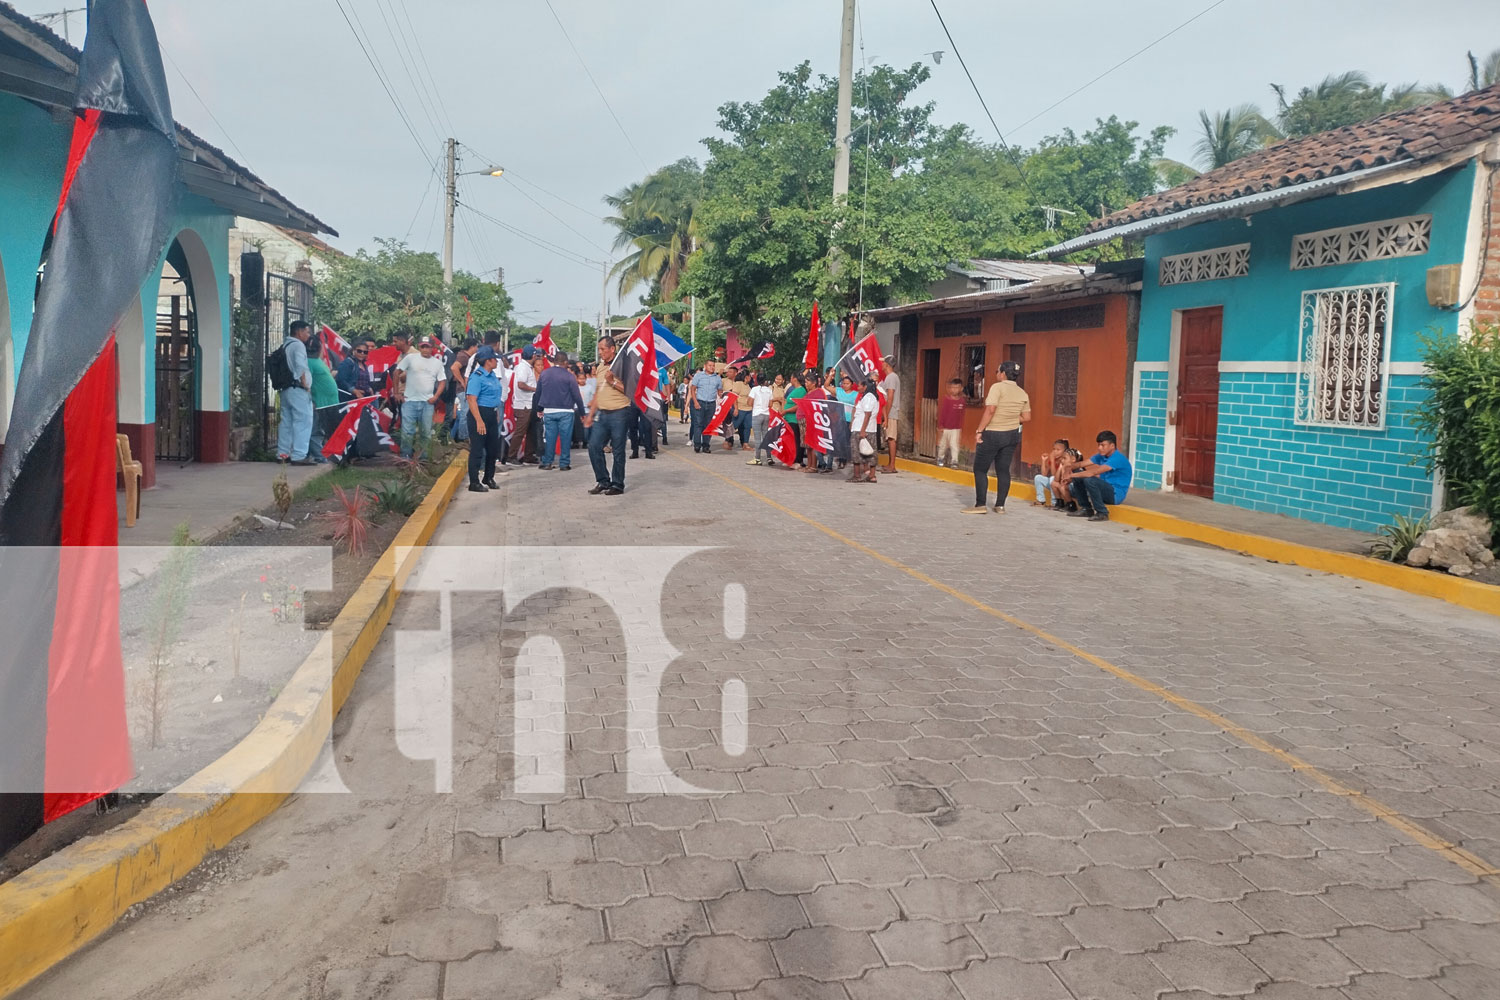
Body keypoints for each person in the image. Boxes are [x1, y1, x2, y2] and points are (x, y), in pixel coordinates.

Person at [964, 359, 1030, 515]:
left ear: (1004, 373)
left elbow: (991, 410)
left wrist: (979, 430)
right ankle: (1000, 505)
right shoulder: (1022, 392)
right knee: (1003, 470)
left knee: (980, 469)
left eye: (998, 371)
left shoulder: (997, 388)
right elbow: (1026, 417)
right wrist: (1011, 418)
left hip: (994, 433)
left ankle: (980, 504)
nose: (997, 374)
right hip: (1012, 434)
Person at [587, 336, 630, 495]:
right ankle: (603, 480)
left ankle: (617, 484)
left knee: (618, 450)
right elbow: (599, 392)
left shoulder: (622, 366)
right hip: (602, 414)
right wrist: (591, 414)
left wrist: (612, 381)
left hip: (620, 413)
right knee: (593, 446)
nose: (600, 353)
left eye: (603, 349)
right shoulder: (599, 367)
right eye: (599, 349)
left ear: (612, 349)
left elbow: (629, 390)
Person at [396, 337, 447, 458]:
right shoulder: (410, 358)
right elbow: (396, 372)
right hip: (409, 401)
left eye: (427, 346)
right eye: (423, 346)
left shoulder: (437, 363)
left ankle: (423, 459)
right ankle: (406, 458)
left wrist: (436, 396)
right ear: (419, 347)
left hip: (427, 403)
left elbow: (442, 381)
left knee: (426, 433)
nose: (425, 349)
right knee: (408, 432)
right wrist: (396, 392)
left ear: (432, 347)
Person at [1066, 431, 1133, 522]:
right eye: (1098, 445)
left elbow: (1093, 472)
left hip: (1115, 495)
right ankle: (1086, 509)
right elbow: (1081, 464)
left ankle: (1102, 513)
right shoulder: (1101, 456)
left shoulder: (1117, 458)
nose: (1099, 448)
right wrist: (1069, 467)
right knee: (1079, 476)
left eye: (1102, 445)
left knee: (1089, 480)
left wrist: (1071, 475)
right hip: (1105, 488)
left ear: (1112, 446)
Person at [535, 354, 587, 471]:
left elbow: (538, 393)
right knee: (565, 438)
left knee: (550, 437)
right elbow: (576, 396)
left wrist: (539, 409)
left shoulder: (544, 374)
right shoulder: (569, 376)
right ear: (565, 362)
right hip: (566, 411)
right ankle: (564, 464)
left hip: (549, 410)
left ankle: (547, 462)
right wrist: (582, 413)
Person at [464, 347, 504, 492]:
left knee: (493, 449)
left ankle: (488, 477)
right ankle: (474, 482)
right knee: (477, 450)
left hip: (491, 414)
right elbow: (471, 399)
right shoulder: (477, 377)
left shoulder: (492, 375)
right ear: (488, 361)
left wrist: (496, 412)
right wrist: (479, 421)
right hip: (479, 414)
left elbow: (494, 396)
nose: (497, 361)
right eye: (495, 359)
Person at [276, 320, 315, 465]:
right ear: (299, 332)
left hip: (286, 388)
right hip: (298, 388)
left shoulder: (285, 345)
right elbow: (300, 365)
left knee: (286, 421)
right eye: (307, 331)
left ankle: (282, 454)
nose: (308, 335)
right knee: (303, 421)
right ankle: (299, 455)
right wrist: (305, 384)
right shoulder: (298, 345)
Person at [306, 335, 340, 464]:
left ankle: (315, 454)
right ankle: (320, 456)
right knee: (316, 430)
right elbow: (308, 383)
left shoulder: (317, 361)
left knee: (321, 430)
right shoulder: (309, 362)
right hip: (319, 403)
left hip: (328, 403)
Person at [509, 345, 539, 464]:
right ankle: (511, 456)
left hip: (529, 404)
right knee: (520, 432)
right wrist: (534, 389)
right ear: (532, 355)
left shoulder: (526, 367)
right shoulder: (523, 368)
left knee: (531, 431)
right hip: (523, 405)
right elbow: (521, 384)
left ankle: (528, 455)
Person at [848, 377, 881, 484]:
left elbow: (867, 414)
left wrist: (862, 430)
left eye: (860, 385)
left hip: (861, 428)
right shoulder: (872, 397)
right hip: (870, 428)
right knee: (870, 452)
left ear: (865, 386)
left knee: (857, 452)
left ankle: (857, 475)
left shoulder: (868, 397)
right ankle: (871, 475)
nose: (858, 388)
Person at [689, 360, 722, 453]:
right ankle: (697, 444)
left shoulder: (717, 378)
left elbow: (720, 390)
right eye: (710, 365)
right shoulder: (699, 376)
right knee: (698, 424)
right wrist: (695, 402)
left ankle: (706, 445)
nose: (712, 367)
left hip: (711, 403)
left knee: (708, 425)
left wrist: (722, 395)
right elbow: (693, 389)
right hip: (700, 402)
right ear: (705, 366)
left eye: (713, 366)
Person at [1033, 439, 1072, 508]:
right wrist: (1044, 461)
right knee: (1038, 478)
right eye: (1054, 449)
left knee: (1052, 478)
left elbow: (1054, 475)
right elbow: (1044, 474)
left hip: (1060, 485)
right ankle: (1041, 500)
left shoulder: (1064, 460)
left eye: (1058, 450)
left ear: (1065, 451)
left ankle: (1054, 502)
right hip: (1053, 484)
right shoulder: (1053, 459)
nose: (1055, 452)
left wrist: (1052, 460)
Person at [335, 336, 375, 402]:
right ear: (353, 351)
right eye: (359, 351)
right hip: (350, 399)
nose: (362, 353)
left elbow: (364, 381)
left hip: (363, 398)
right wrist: (354, 391)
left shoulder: (364, 365)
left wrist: (369, 388)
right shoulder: (348, 363)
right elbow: (341, 380)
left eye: (365, 352)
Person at [936, 378, 965, 469]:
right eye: (952, 387)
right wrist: (941, 426)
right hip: (945, 427)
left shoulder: (962, 401)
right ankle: (940, 458)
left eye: (956, 387)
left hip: (956, 428)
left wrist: (961, 427)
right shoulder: (946, 400)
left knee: (954, 444)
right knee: (943, 444)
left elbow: (962, 415)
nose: (954, 390)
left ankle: (954, 461)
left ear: (961, 388)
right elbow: (943, 413)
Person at [879, 355, 901, 473]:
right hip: (889, 411)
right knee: (889, 438)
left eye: (883, 363)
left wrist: (886, 415)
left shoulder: (891, 377)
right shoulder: (889, 377)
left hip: (891, 411)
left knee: (891, 438)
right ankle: (890, 464)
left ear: (887, 365)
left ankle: (892, 465)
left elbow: (890, 396)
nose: (881, 364)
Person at [724, 365, 753, 452]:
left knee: (747, 427)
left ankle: (745, 444)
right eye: (750, 376)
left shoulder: (748, 386)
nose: (750, 378)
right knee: (734, 426)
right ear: (746, 377)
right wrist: (736, 408)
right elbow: (734, 397)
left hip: (748, 409)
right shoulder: (738, 384)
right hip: (740, 408)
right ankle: (727, 441)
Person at [746, 377, 774, 466]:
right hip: (766, 414)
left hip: (757, 414)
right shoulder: (769, 390)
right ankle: (769, 457)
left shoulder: (754, 389)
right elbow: (771, 404)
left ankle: (757, 458)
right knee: (766, 436)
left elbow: (749, 403)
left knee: (757, 438)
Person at [783, 373, 808, 467]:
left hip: (795, 419)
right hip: (789, 418)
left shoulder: (801, 391)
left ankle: (798, 460)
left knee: (796, 440)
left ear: (795, 379)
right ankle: (791, 458)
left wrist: (785, 411)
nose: (790, 379)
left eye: (791, 377)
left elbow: (798, 405)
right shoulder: (794, 390)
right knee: (791, 440)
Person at [835, 374, 857, 470]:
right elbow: (827, 386)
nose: (845, 385)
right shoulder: (839, 391)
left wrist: (853, 420)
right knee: (839, 440)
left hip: (849, 420)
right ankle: (840, 459)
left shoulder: (855, 394)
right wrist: (830, 375)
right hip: (839, 419)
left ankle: (844, 459)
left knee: (846, 440)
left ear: (851, 384)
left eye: (847, 383)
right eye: (843, 383)